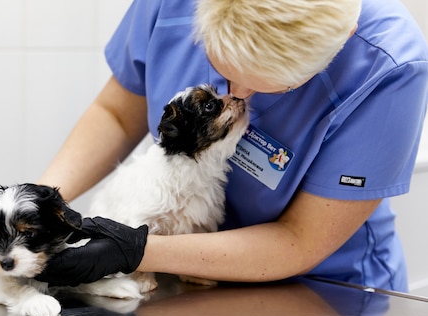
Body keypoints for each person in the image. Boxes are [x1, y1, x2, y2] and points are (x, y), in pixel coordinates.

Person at [36, 0, 428, 292]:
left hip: (327, 295)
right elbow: (117, 114)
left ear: (343, 40)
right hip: (191, 287)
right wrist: (39, 203)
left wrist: (136, 251)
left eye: (271, 84)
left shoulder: (390, 65)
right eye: (222, 69)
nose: (238, 96)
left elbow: (299, 241)